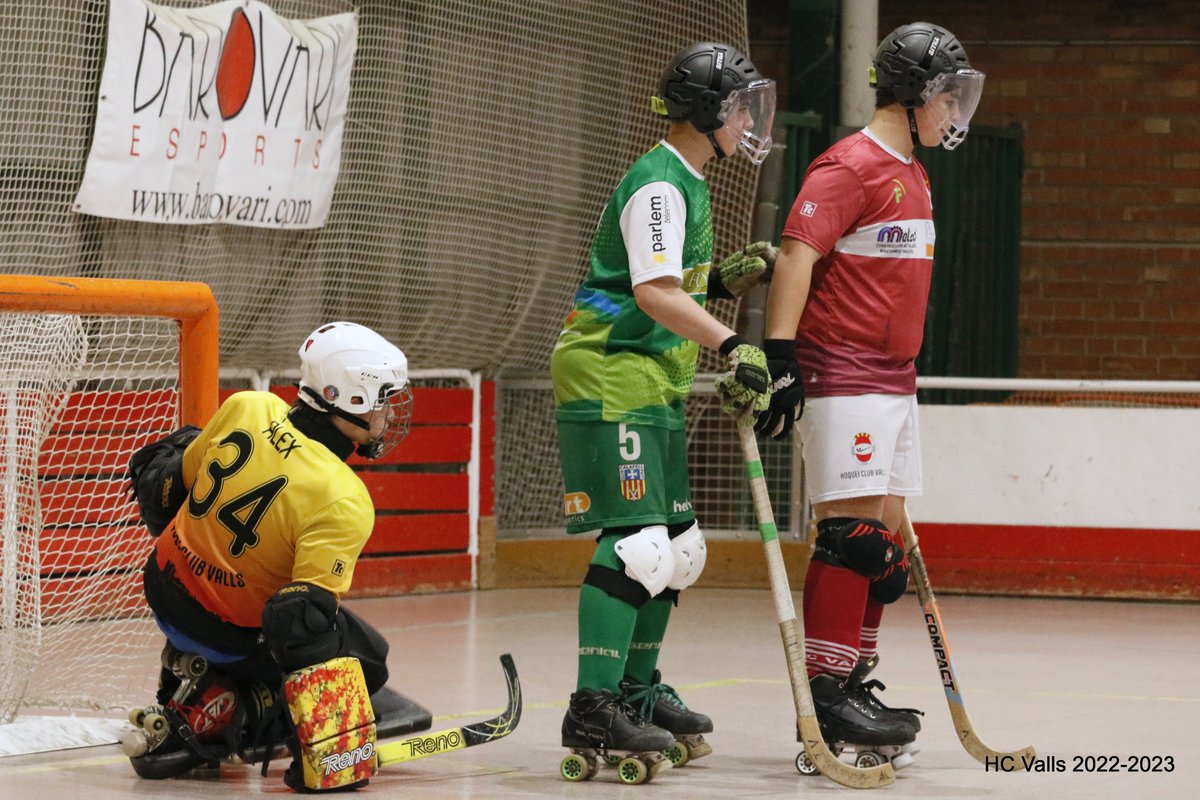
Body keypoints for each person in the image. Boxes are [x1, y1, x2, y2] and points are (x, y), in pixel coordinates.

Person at [756, 22, 986, 755]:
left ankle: (853, 680)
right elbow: (797, 256)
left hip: (895, 380)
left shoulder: (913, 171)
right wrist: (781, 356)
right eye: (949, 99)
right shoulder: (848, 166)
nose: (955, 114)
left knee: (881, 556)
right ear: (917, 95)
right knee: (852, 538)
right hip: (844, 371)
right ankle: (827, 700)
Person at [551, 41, 777, 770]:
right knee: (636, 545)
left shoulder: (688, 179)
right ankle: (593, 708)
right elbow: (650, 294)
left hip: (650, 378)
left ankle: (636, 691)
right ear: (709, 112)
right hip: (611, 371)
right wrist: (731, 342)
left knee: (678, 551)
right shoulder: (660, 184)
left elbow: (653, 280)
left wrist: (713, 287)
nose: (748, 120)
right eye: (741, 106)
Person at [124, 321, 415, 791]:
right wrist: (329, 748)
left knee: (180, 450)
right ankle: (250, 707)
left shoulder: (247, 406)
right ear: (351, 401)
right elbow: (300, 620)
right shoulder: (343, 496)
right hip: (226, 632)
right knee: (362, 653)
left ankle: (197, 675)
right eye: (382, 398)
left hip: (161, 585)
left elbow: (170, 487)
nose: (388, 413)